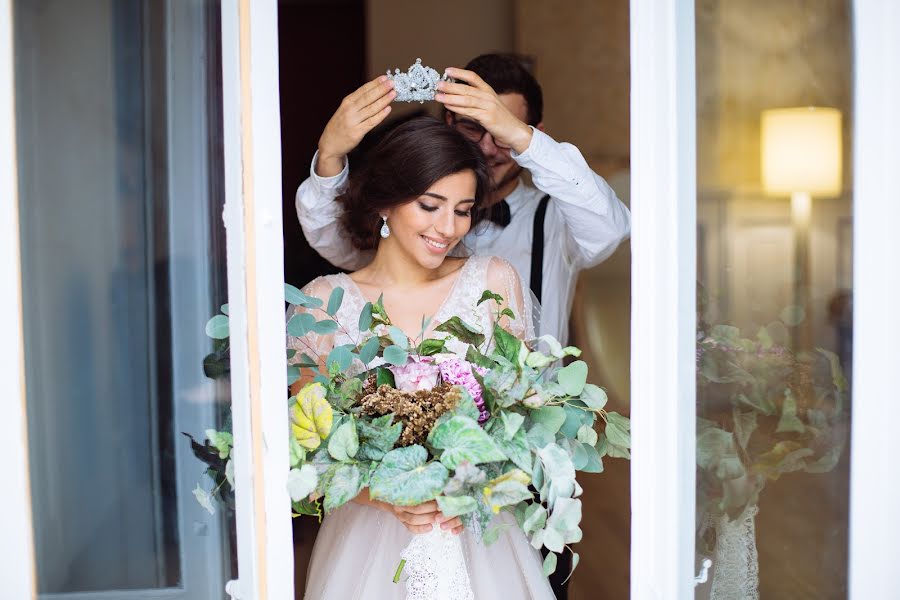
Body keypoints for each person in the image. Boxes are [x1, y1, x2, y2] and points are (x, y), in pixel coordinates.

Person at [289, 117, 555, 599]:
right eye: (430, 206)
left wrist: (474, 483)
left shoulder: (493, 283)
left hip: (479, 537)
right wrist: (385, 494)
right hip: (367, 545)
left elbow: (527, 424)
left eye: (463, 210)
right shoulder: (321, 305)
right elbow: (302, 456)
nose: (448, 228)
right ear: (385, 200)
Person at [297, 53, 631, 349]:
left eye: (500, 133)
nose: (487, 147)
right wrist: (329, 155)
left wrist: (520, 138)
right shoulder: (398, 217)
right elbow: (334, 241)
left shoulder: (555, 217)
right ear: (449, 122)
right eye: (474, 127)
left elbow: (610, 228)